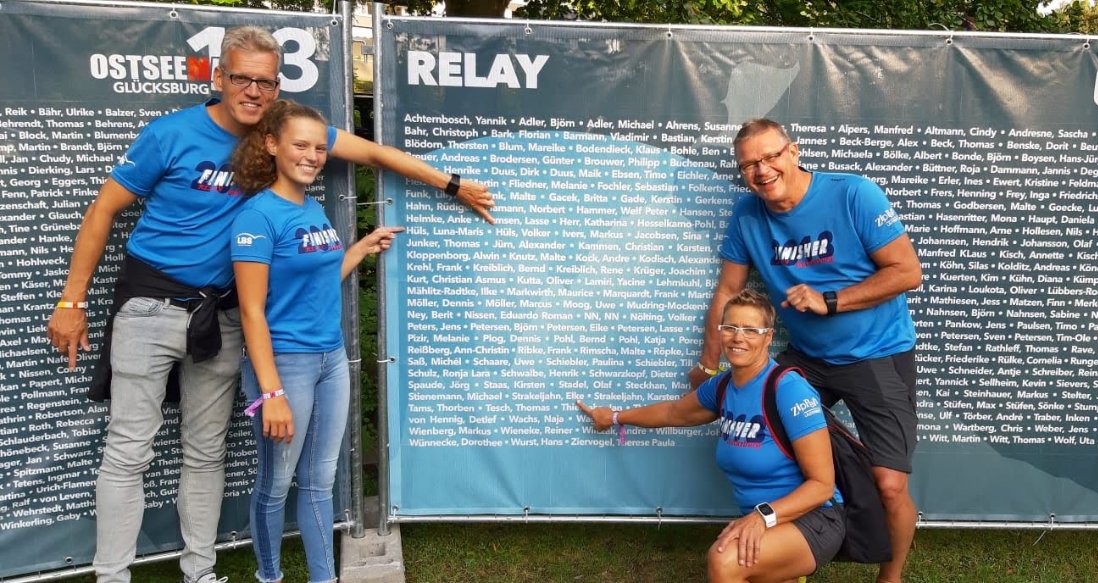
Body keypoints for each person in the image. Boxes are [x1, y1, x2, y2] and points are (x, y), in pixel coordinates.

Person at [44, 26, 493, 583]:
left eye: (266, 81)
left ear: (277, 88)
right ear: (219, 77)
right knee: (128, 450)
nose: (253, 91)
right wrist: (72, 299)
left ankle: (199, 572)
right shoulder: (170, 134)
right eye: (242, 78)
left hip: (223, 316)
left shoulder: (283, 135)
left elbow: (375, 153)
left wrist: (451, 184)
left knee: (206, 452)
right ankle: (112, 576)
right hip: (151, 305)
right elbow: (103, 210)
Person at [687, 118, 922, 583]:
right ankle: (788, 553)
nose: (762, 170)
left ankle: (890, 577)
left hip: (877, 353)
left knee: (889, 484)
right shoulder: (747, 215)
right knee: (773, 446)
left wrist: (829, 300)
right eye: (749, 165)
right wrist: (708, 364)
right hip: (808, 358)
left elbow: (906, 272)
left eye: (770, 156)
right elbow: (727, 291)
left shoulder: (853, 194)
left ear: (793, 152)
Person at [229, 99, 394, 583]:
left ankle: (325, 578)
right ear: (271, 144)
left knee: (321, 483)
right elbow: (251, 311)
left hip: (330, 359)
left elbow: (319, 279)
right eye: (301, 145)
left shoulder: (312, 206)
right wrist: (272, 393)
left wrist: (359, 249)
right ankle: (270, 577)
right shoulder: (257, 218)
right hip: (284, 364)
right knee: (276, 483)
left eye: (320, 148)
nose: (313, 156)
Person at [578, 290, 845, 583]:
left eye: (750, 330)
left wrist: (762, 516)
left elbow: (821, 485)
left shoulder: (789, 388)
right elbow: (673, 413)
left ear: (768, 337)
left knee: (725, 560)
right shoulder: (722, 386)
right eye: (730, 327)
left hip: (813, 518)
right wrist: (615, 417)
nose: (738, 337)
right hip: (764, 522)